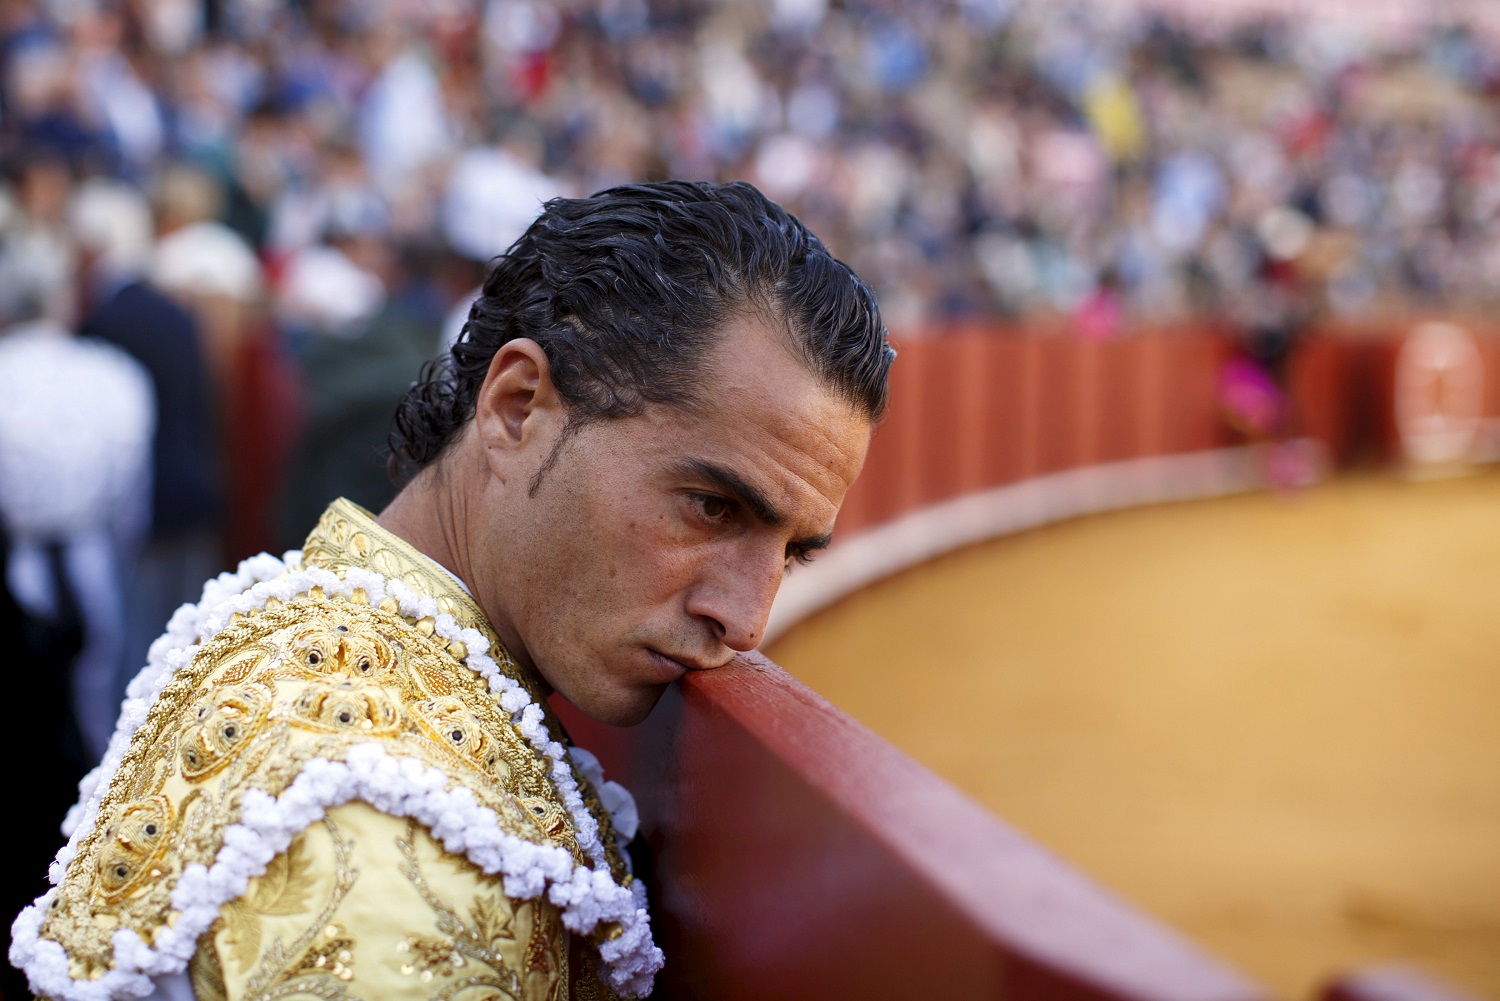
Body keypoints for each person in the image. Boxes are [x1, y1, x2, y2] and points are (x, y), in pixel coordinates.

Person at [11, 180, 894, 1000]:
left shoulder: (318, 624)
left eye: (793, 554)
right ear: (516, 406)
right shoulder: (384, 838)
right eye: (711, 505)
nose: (744, 619)